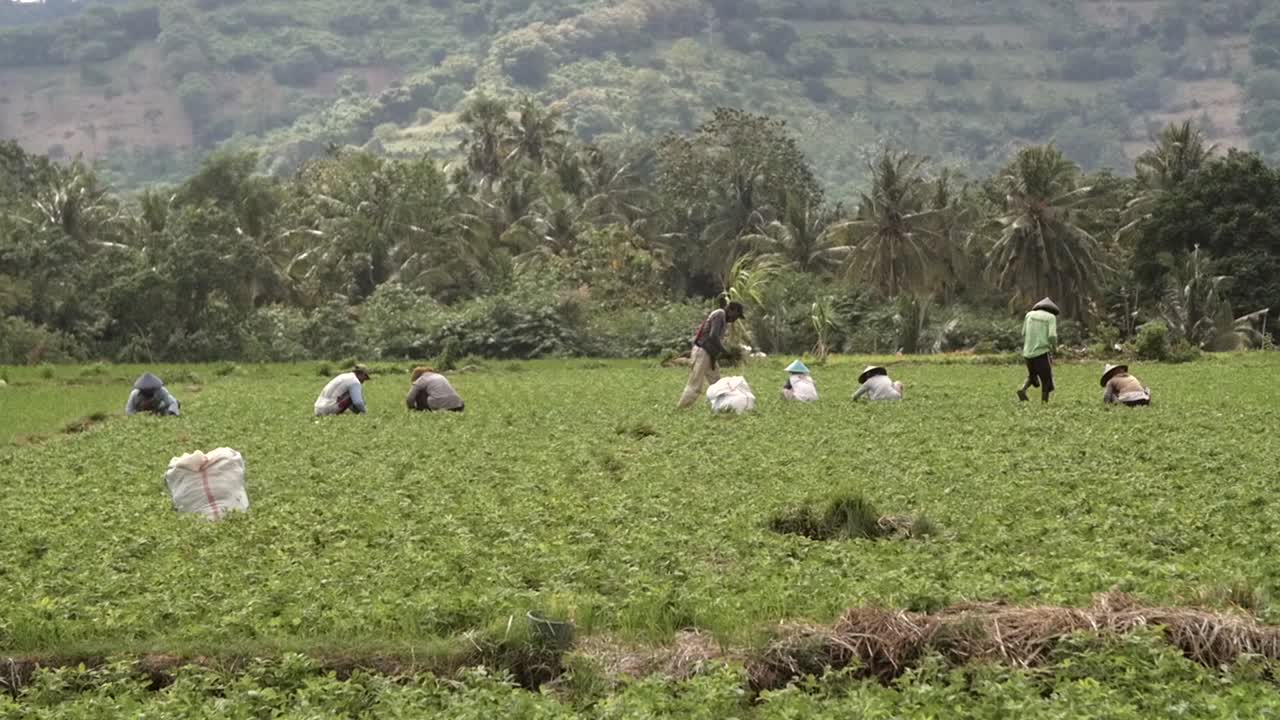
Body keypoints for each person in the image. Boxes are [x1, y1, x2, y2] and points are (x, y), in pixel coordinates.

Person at [677, 297, 745, 409]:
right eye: (736, 316)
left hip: (709, 354)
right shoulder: (720, 314)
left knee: (717, 383)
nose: (735, 319)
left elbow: (714, 339)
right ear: (731, 310)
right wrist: (725, 352)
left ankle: (721, 407)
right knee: (695, 385)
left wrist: (720, 354)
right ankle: (682, 408)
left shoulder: (723, 318)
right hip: (702, 352)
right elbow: (713, 336)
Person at [1017, 297, 1059, 403]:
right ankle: (1044, 403)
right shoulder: (1051, 317)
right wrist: (1054, 347)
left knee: (1033, 375)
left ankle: (1022, 389)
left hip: (1027, 353)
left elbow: (1023, 333)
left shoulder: (1029, 315)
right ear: (1051, 310)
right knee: (1046, 379)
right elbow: (1052, 336)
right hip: (1041, 352)